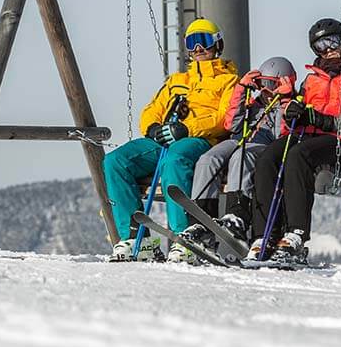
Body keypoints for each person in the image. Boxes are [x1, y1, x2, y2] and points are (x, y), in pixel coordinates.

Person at [102, 18, 239, 262]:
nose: (198, 49)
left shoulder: (229, 81)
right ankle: (136, 237)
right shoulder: (178, 81)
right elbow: (152, 109)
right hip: (165, 138)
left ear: (218, 44)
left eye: (204, 42)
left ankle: (184, 237)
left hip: (201, 140)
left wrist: (186, 128)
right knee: (116, 161)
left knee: (175, 159)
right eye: (192, 43)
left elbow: (224, 118)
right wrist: (153, 127)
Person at [247, 18, 341, 265]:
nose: (327, 49)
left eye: (332, 42)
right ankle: (264, 235)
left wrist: (325, 121)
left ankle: (296, 234)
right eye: (320, 46)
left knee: (298, 156)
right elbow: (296, 115)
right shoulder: (311, 79)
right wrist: (292, 107)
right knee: (268, 157)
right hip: (306, 138)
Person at [182, 56, 297, 249]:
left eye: (272, 84)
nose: (266, 89)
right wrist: (241, 90)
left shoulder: (289, 104)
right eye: (262, 83)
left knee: (242, 156)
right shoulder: (254, 103)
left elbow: (282, 135)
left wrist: (285, 101)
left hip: (264, 145)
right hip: (238, 139)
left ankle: (238, 213)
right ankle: (200, 219)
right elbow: (232, 124)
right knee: (209, 158)